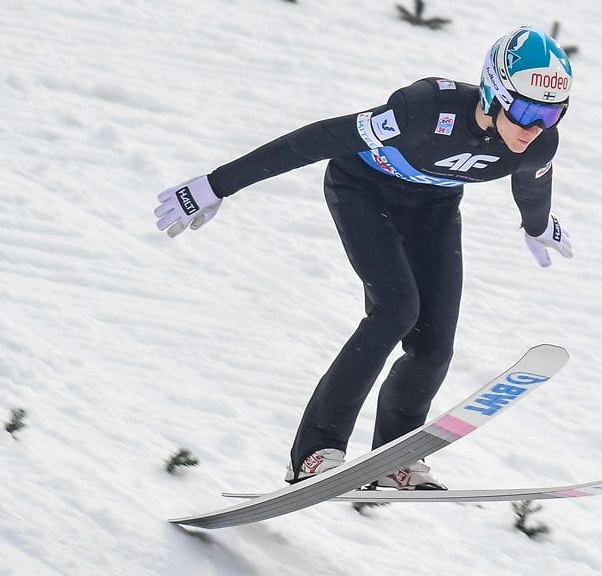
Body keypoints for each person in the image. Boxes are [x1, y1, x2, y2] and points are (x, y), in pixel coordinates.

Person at [154, 26, 575, 490]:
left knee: (435, 341)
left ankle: (398, 454)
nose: (536, 127)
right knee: (395, 311)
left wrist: (537, 226)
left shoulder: (538, 141)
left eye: (552, 114)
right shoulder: (422, 111)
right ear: (494, 92)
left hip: (432, 210)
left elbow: (532, 184)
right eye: (528, 111)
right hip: (362, 190)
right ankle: (315, 452)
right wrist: (217, 185)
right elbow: (319, 139)